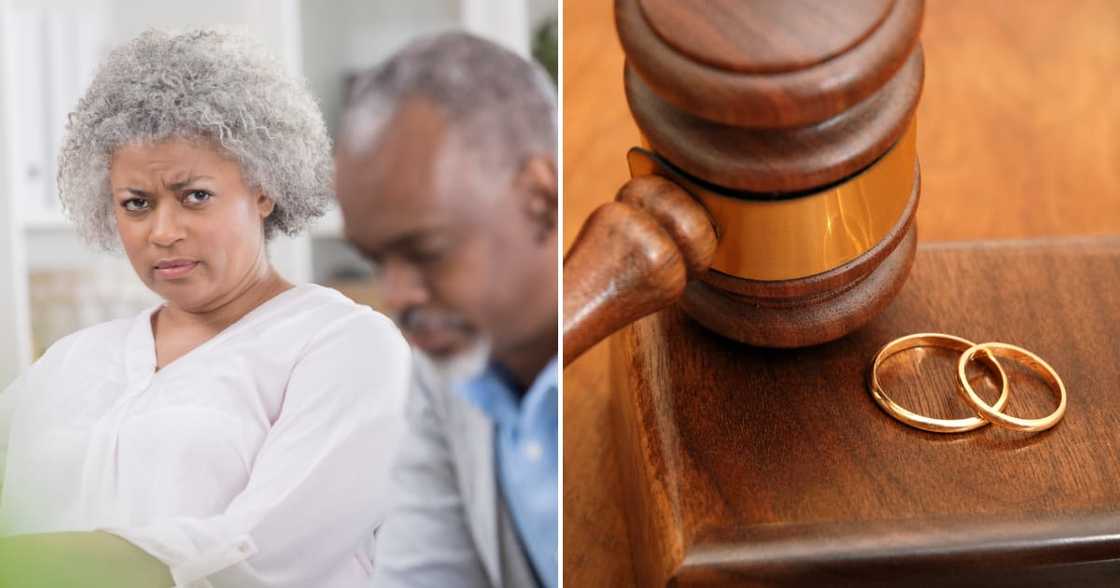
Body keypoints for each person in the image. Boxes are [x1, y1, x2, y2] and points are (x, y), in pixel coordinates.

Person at [0, 29, 410, 588]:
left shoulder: (345, 346)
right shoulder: (71, 362)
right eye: (136, 204)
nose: (163, 232)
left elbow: (251, 557)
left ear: (263, 188)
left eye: (194, 196)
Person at [335, 32, 558, 588]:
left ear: (540, 199)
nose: (398, 295)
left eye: (425, 250)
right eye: (375, 260)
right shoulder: (444, 371)